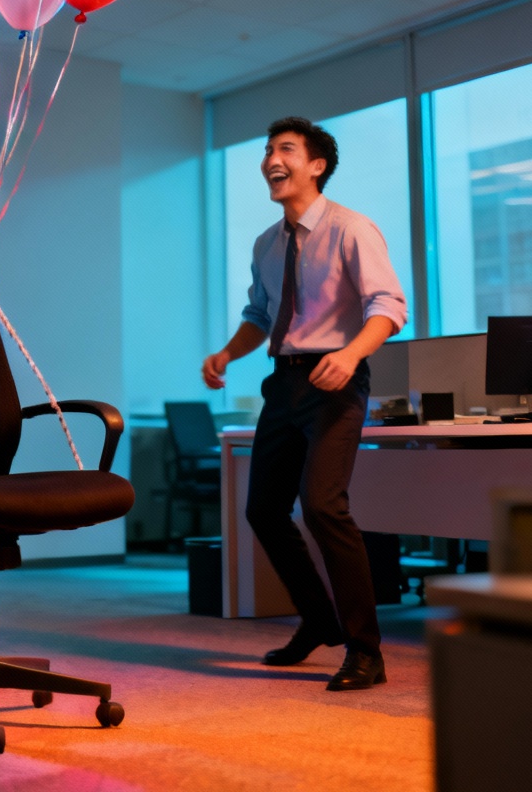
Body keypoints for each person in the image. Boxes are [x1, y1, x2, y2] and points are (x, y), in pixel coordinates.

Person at [202, 116, 407, 691]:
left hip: (336, 383)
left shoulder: (351, 229)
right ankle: (318, 620)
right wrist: (226, 354)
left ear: (316, 165)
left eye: (286, 149)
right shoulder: (267, 243)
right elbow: (260, 317)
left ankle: (366, 651)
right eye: (268, 149)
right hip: (283, 383)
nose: (272, 158)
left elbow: (388, 306)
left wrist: (351, 355)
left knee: (322, 508)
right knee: (263, 510)